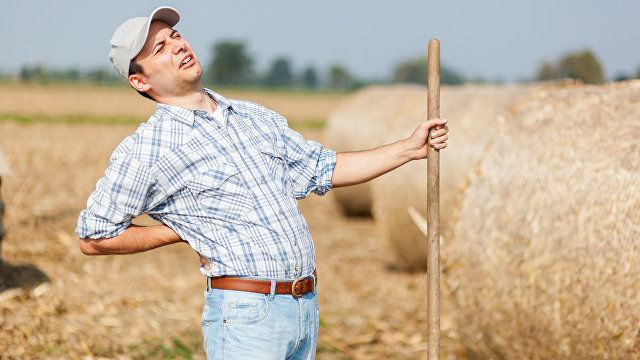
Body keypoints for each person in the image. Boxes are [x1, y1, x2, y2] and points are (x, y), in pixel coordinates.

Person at [76, 6, 449, 359]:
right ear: (140, 80)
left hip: (305, 306)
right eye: (160, 48)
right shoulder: (147, 149)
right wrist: (177, 233)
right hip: (245, 317)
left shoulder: (254, 117)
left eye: (175, 36)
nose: (177, 46)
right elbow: (94, 236)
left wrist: (407, 149)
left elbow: (323, 168)